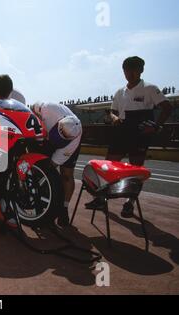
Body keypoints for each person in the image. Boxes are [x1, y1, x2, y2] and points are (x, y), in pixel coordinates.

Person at [86, 56, 172, 217]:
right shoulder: (120, 92)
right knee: (107, 165)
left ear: (141, 70)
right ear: (123, 71)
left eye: (134, 69)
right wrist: (113, 118)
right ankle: (100, 198)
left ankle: (129, 203)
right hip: (122, 130)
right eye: (127, 70)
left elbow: (167, 107)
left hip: (140, 133)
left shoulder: (150, 88)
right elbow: (113, 113)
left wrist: (156, 126)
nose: (130, 73)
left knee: (135, 170)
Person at [31, 103, 83, 227]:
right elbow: (32, 108)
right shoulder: (48, 108)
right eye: (59, 132)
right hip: (45, 134)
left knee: (66, 174)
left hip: (65, 146)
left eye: (63, 136)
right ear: (59, 120)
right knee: (39, 169)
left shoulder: (73, 141)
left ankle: (63, 208)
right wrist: (37, 120)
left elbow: (52, 165)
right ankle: (41, 205)